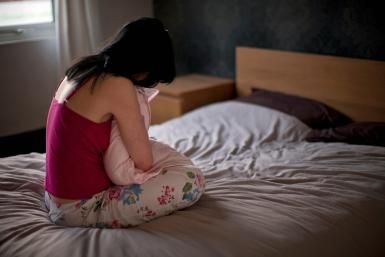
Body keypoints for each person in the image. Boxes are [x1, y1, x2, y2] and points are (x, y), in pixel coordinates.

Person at [44, 17, 205, 228]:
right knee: (193, 180)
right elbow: (144, 162)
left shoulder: (83, 70)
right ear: (146, 65)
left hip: (54, 196)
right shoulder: (117, 85)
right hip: (78, 208)